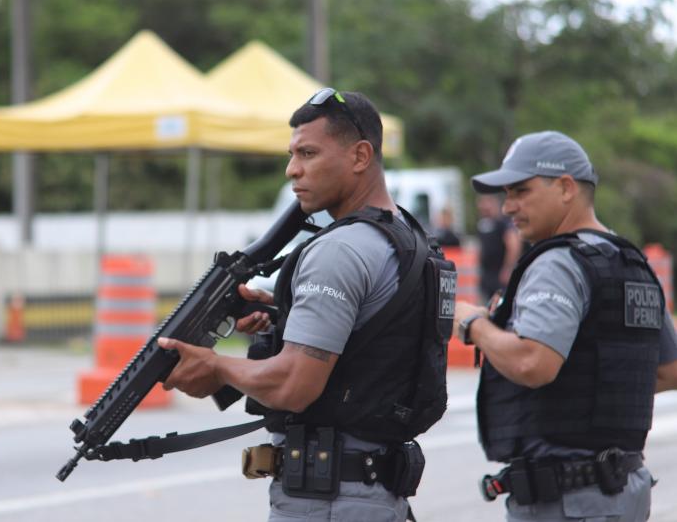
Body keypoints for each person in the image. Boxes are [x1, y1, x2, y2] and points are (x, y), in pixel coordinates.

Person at [158, 88, 454, 521]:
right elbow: (375, 342)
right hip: (373, 493)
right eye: (292, 153)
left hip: (328, 499)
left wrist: (216, 366)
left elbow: (297, 384)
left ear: (360, 156)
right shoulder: (407, 236)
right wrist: (280, 321)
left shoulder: (339, 250)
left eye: (308, 153)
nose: (292, 169)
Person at [453, 130, 677, 521]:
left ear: (566, 187)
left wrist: (475, 325)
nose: (508, 207)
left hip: (565, 499)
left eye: (521, 191)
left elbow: (532, 364)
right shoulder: (631, 262)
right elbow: (667, 370)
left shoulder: (557, 264)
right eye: (506, 194)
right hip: (621, 494)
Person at [476, 193, 521, 301]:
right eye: (482, 202)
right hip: (487, 275)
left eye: (487, 201)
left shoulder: (503, 223)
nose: (484, 206)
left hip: (500, 275)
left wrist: (508, 268)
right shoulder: (482, 224)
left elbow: (513, 245)